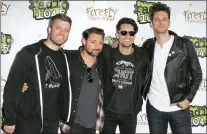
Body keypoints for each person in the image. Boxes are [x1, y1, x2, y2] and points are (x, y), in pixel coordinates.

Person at [2, 13, 72, 134]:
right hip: (27, 123)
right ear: (49, 29)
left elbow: (91, 52)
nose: (62, 33)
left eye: (66, 30)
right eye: (58, 28)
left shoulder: (65, 57)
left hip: (52, 124)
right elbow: (13, 86)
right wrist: (9, 119)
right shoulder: (29, 53)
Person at [141, 2, 202, 134]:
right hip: (154, 107)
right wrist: (119, 43)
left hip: (179, 108)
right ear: (151, 23)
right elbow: (133, 56)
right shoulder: (147, 46)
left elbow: (197, 75)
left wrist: (188, 99)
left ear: (169, 22)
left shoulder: (185, 45)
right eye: (156, 19)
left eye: (164, 19)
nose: (160, 22)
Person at [100, 17, 149, 134]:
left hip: (130, 113)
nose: (127, 36)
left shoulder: (143, 56)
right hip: (108, 111)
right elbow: (89, 48)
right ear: (117, 34)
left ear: (135, 35)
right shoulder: (107, 52)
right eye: (123, 32)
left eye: (131, 33)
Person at [60, 27, 105, 134]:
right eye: (93, 42)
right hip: (72, 123)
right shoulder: (69, 59)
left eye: (100, 43)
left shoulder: (102, 63)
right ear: (84, 41)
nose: (97, 46)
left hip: (93, 124)